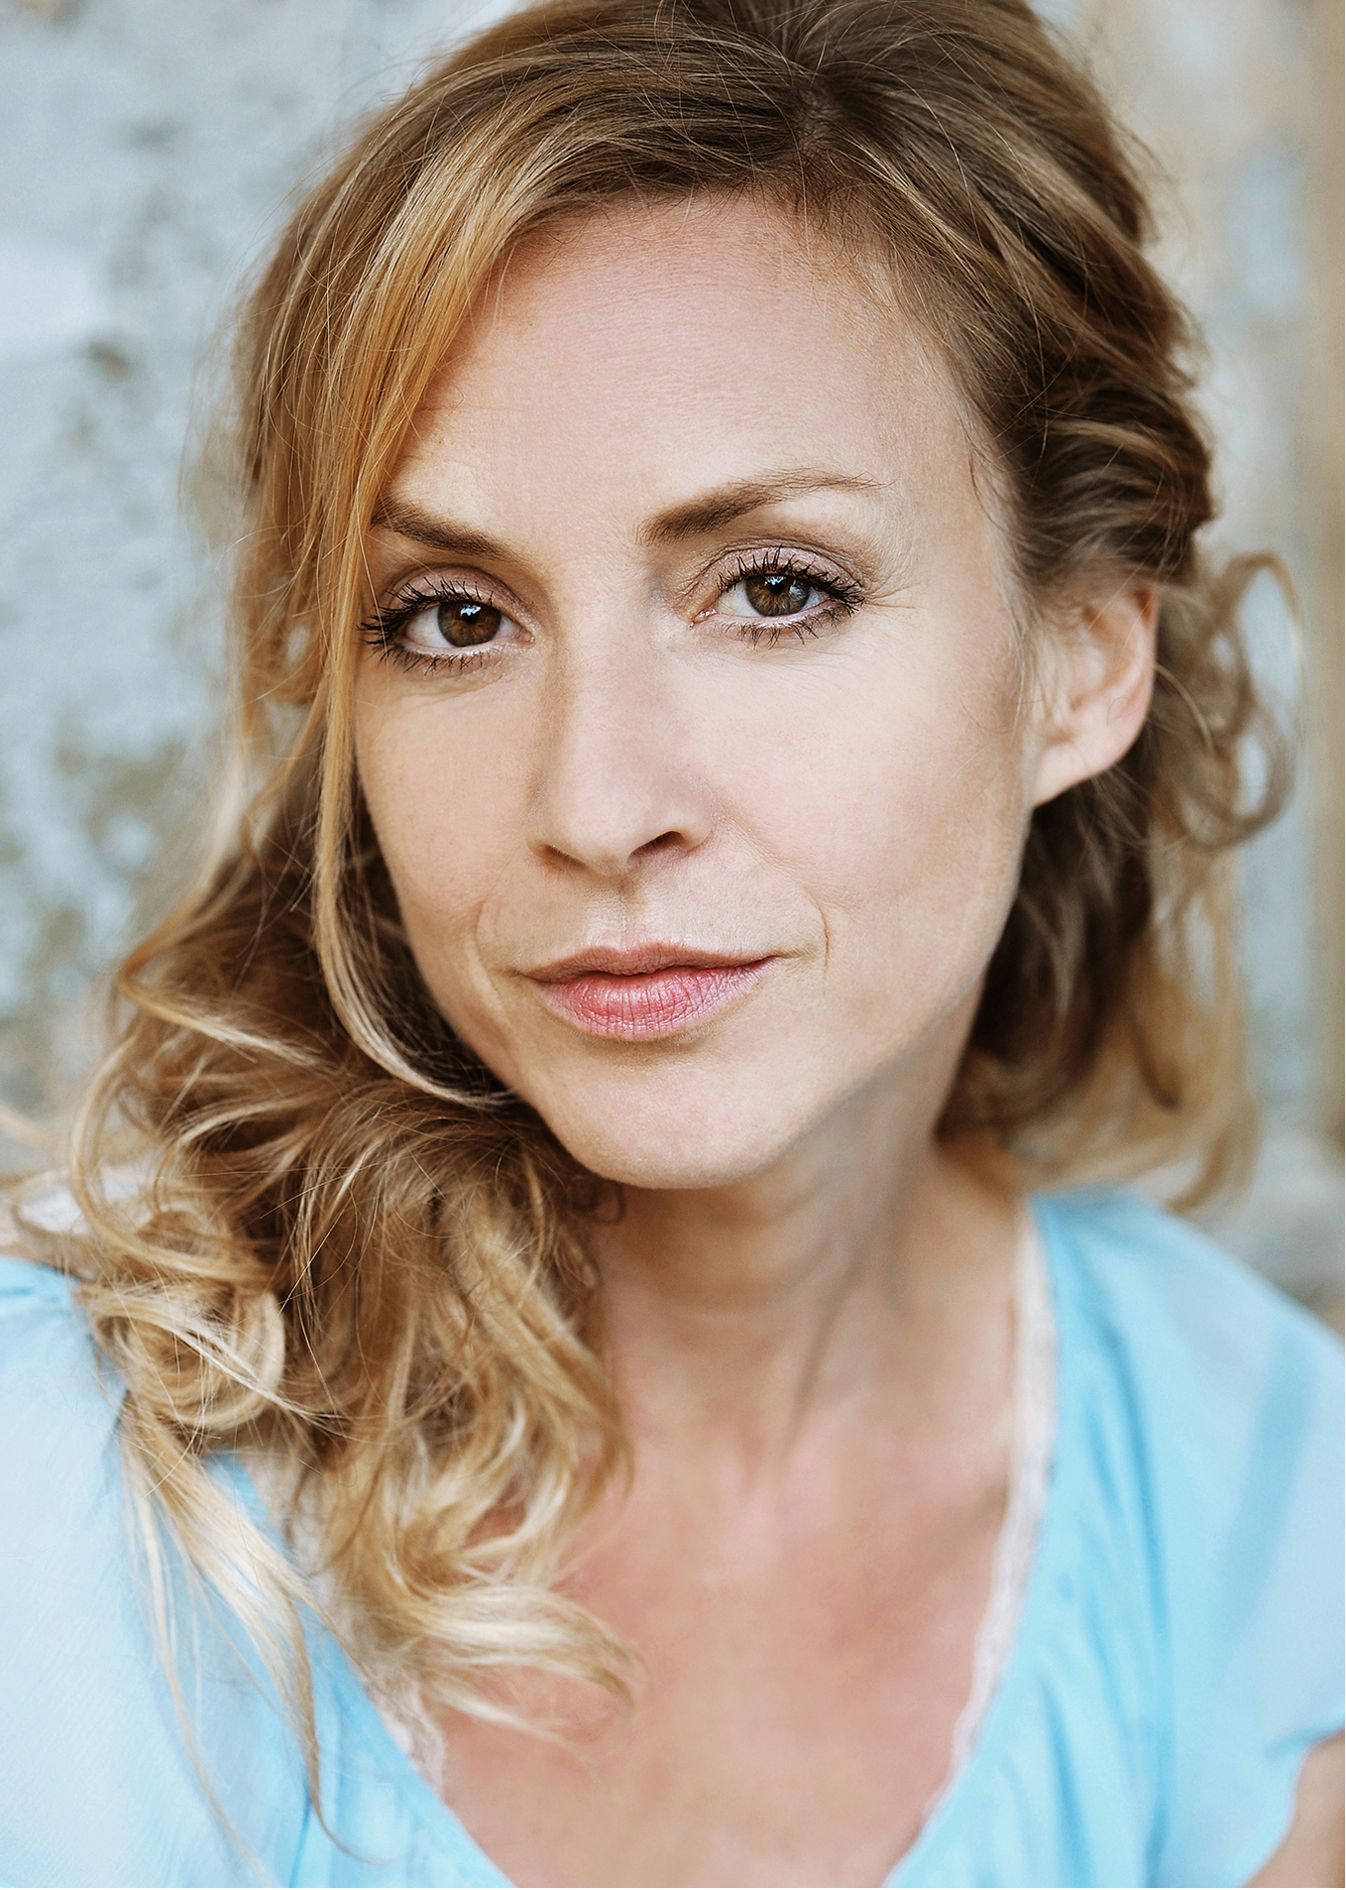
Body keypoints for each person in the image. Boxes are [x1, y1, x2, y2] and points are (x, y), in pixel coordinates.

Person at [0, 0, 1341, 1884]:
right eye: (452, 615)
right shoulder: (66, 1476)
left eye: (775, 588)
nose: (595, 800)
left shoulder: (1267, 1530)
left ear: (1081, 660)